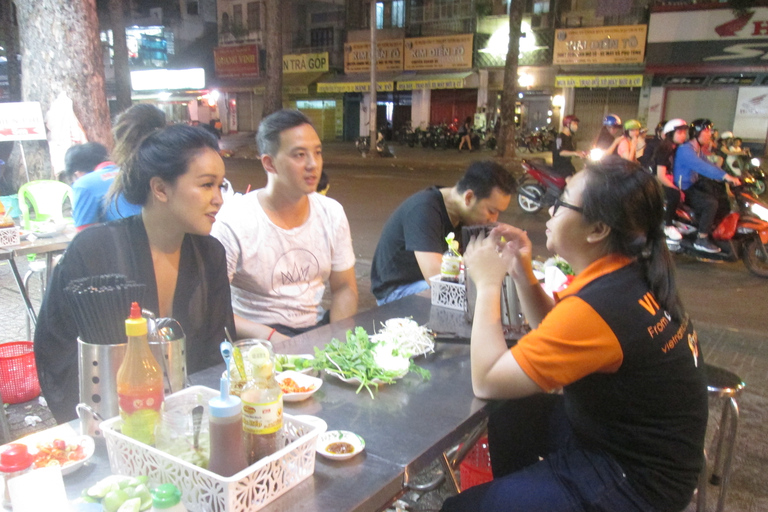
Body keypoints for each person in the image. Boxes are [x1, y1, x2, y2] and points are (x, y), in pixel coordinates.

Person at [441, 157, 707, 512]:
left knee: (459, 509)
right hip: (622, 440)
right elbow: (554, 325)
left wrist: (488, 284)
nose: (551, 208)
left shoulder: (602, 304)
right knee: (512, 413)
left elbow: (486, 380)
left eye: (563, 200)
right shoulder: (628, 273)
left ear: (597, 230)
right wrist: (521, 271)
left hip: (635, 479)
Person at [34, 104, 236, 423]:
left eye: (220, 185)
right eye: (207, 184)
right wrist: (100, 427)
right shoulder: (94, 251)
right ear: (160, 188)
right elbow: (55, 350)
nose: (219, 199)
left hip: (189, 424)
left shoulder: (210, 253)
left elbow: (219, 352)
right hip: (112, 426)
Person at [211, 109, 357, 340]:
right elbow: (214, 307)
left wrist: (337, 339)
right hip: (255, 339)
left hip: (315, 330)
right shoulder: (234, 220)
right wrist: (272, 338)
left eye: (317, 153)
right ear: (269, 163)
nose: (313, 164)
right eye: (299, 155)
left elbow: (344, 288)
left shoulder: (332, 212)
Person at [370, 160, 515, 305]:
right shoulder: (424, 209)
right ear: (469, 198)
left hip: (428, 284)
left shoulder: (467, 216)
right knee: (477, 300)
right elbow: (438, 279)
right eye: (491, 211)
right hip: (397, 291)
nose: (494, 219)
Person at [673, 119, 740, 254]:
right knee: (710, 203)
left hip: (693, 184)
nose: (710, 134)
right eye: (707, 131)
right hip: (684, 188)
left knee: (721, 197)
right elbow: (702, 167)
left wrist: (728, 176)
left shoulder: (696, 149)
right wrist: (725, 177)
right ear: (697, 133)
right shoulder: (686, 150)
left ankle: (711, 230)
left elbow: (710, 164)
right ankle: (701, 239)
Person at [63, 142, 142, 231]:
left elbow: (85, 231)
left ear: (77, 174)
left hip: (127, 239)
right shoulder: (132, 171)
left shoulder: (83, 184)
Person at [652, 118, 688, 241]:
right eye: (680, 132)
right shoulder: (664, 149)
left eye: (684, 132)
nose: (683, 135)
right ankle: (668, 225)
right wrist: (675, 188)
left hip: (671, 179)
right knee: (674, 195)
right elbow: (661, 175)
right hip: (658, 181)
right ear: (670, 134)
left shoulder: (677, 148)